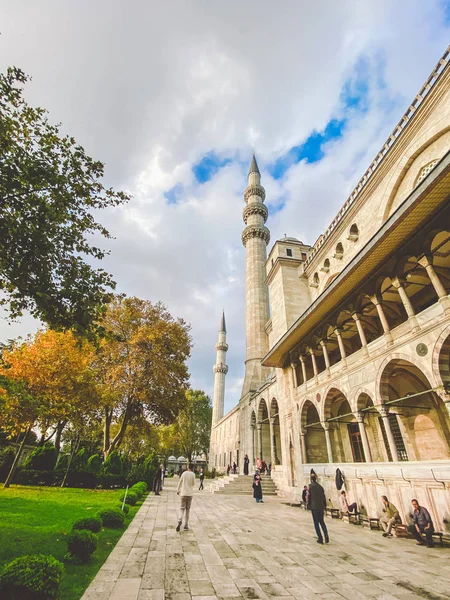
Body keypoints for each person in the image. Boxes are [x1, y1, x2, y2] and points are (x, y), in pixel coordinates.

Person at [308, 473, 329, 544]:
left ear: (311, 479)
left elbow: (308, 496)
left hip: (314, 507)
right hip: (321, 507)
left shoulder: (310, 486)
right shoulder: (320, 487)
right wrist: (324, 506)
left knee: (316, 523)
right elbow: (324, 497)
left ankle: (320, 538)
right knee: (322, 522)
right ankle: (326, 535)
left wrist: (308, 504)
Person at [176, 463, 195, 532]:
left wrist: (178, 490)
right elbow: (193, 483)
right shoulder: (193, 474)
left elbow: (180, 482)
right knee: (187, 509)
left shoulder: (184, 473)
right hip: (189, 494)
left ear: (187, 467)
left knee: (182, 508)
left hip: (183, 493)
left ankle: (180, 519)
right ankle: (186, 525)